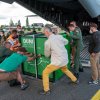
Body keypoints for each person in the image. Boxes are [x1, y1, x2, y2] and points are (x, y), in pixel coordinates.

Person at [40, 26, 78, 95]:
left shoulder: (47, 42)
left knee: (45, 73)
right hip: (64, 59)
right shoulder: (59, 37)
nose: (44, 35)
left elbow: (47, 55)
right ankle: (75, 80)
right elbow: (66, 42)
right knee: (65, 69)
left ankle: (46, 90)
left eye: (44, 33)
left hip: (57, 62)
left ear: (47, 32)